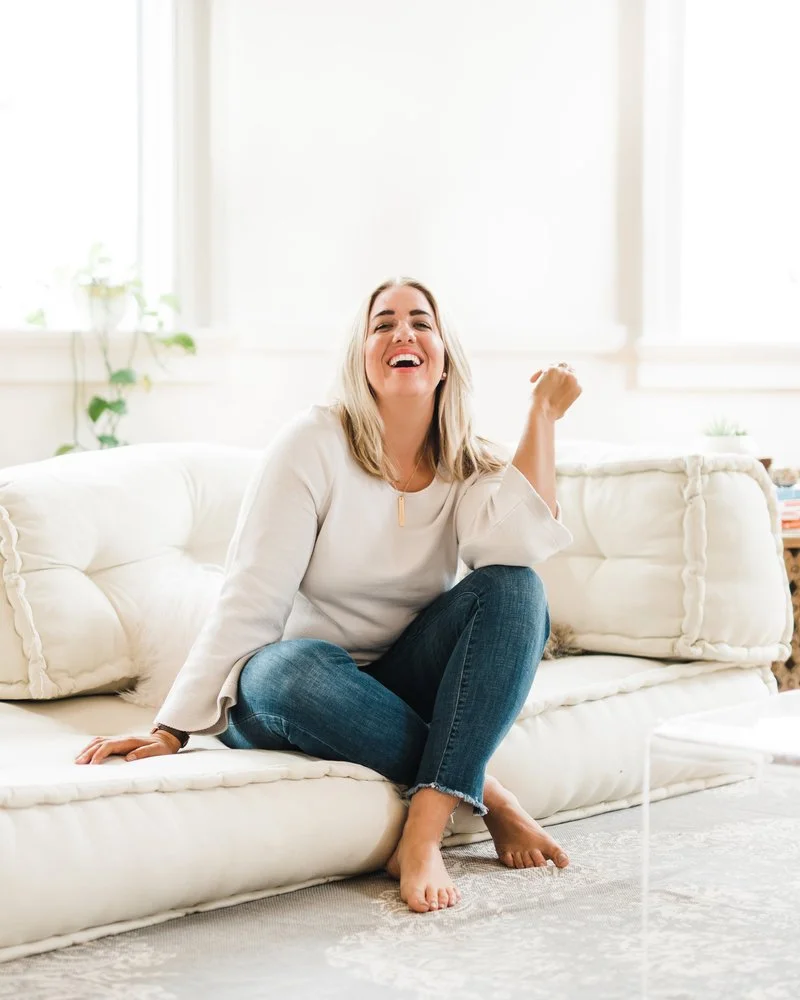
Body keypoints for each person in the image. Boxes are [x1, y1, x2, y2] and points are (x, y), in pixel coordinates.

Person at [74, 276, 582, 915]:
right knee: (291, 668)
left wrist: (542, 416)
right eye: (383, 323)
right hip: (298, 687)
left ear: (445, 356)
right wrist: (171, 729)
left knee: (517, 587)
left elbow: (517, 545)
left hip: (398, 682)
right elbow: (252, 592)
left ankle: (423, 827)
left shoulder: (466, 462)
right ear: (361, 356)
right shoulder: (313, 442)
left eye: (421, 322)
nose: (402, 333)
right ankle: (488, 795)